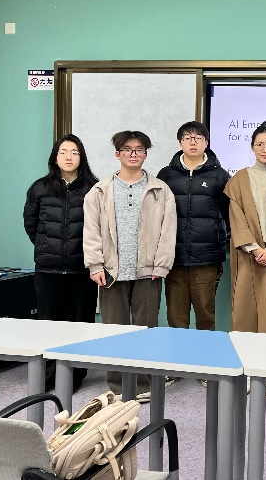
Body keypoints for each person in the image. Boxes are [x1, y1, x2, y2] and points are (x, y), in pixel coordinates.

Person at [83, 130, 177, 401]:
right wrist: (95, 265)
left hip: (148, 272)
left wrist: (161, 265)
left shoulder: (161, 190)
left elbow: (168, 231)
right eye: (127, 149)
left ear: (145, 154)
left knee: (145, 330)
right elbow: (91, 231)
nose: (133, 154)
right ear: (118, 154)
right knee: (115, 332)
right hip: (111, 272)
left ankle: (143, 384)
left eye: (139, 150)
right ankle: (118, 386)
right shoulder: (99, 191)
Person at [23, 134, 99, 392]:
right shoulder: (40, 188)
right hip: (49, 268)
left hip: (82, 269)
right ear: (55, 157)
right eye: (63, 152)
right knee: (48, 324)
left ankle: (75, 376)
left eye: (74, 152)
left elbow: (100, 228)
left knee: (80, 323)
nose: (69, 157)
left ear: (82, 158)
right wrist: (46, 247)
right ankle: (48, 376)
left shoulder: (93, 188)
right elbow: (31, 224)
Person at [157, 121, 230, 388]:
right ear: (180, 143)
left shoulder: (220, 176)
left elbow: (228, 215)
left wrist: (220, 240)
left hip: (207, 257)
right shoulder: (166, 175)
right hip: (174, 257)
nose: (193, 142)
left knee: (205, 315)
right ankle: (177, 366)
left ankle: (205, 367)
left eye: (198, 138)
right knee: (176, 317)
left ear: (206, 143)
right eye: (187, 137)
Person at [224, 121, 266, 396]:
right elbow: (236, 217)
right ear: (252, 147)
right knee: (244, 311)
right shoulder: (239, 179)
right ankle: (246, 370)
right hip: (247, 256)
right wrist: (254, 249)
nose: (265, 149)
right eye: (259, 144)